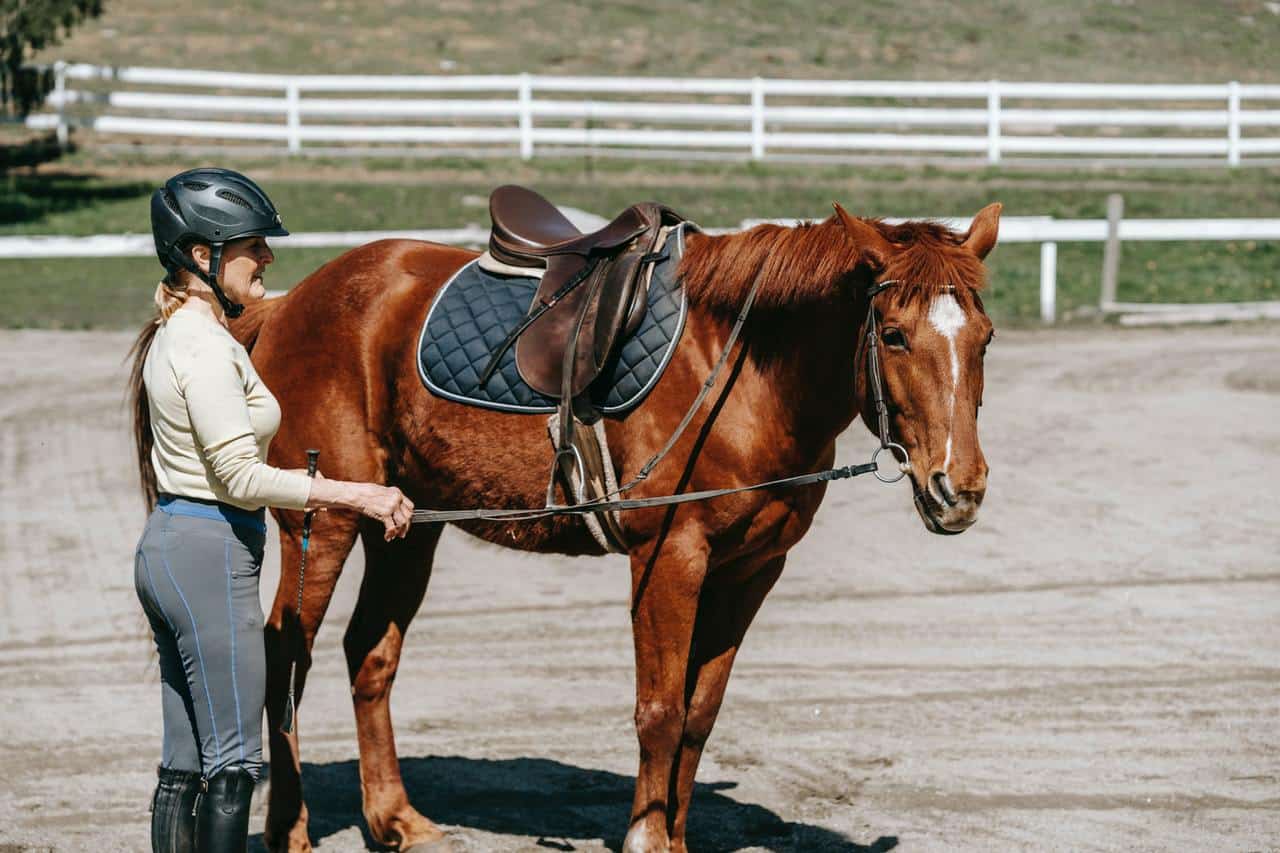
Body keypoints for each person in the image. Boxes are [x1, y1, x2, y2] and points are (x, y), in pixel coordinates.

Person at [126, 167, 415, 853]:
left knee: (185, 765)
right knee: (234, 767)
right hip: (209, 551)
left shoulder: (182, 332)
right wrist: (360, 493)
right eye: (253, 245)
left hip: (173, 544)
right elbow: (238, 473)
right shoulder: (201, 347)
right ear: (203, 256)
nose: (267, 258)